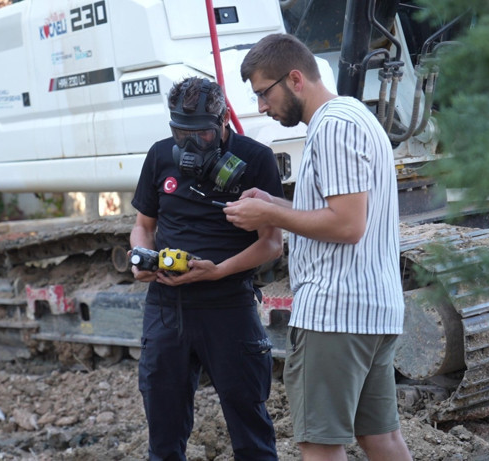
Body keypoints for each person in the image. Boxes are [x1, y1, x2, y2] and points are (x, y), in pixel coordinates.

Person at [223, 33, 413, 461]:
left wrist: (269, 216)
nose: (261, 107)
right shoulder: (355, 116)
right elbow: (338, 212)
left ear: (295, 79)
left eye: (264, 93)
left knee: (319, 446)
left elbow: (347, 225)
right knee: (380, 438)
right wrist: (274, 203)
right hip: (372, 308)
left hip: (334, 312)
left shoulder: (332, 128)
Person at [129, 76, 284, 460]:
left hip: (229, 307)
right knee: (163, 439)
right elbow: (143, 225)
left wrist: (219, 270)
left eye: (202, 135)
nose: (190, 145)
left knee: (252, 434)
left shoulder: (256, 159)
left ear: (224, 120)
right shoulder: (159, 155)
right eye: (181, 134)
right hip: (167, 310)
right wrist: (140, 257)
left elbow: (272, 243)